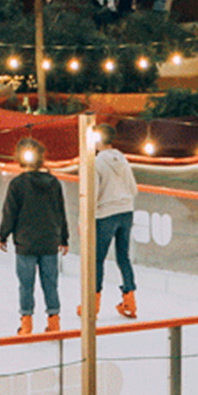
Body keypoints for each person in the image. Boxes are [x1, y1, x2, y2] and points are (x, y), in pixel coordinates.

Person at [0, 142, 69, 335]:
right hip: (49, 242)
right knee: (50, 283)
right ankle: (54, 321)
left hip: (26, 243)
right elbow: (60, 211)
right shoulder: (54, 183)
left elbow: (10, 212)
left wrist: (3, 234)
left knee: (26, 284)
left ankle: (26, 322)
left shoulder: (18, 184)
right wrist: (64, 238)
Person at [88, 125, 139, 319]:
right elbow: (133, 188)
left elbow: (92, 194)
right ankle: (130, 299)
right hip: (126, 211)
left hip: (106, 214)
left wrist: (86, 217)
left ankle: (93, 303)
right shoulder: (123, 159)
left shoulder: (97, 163)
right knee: (123, 256)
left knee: (97, 258)